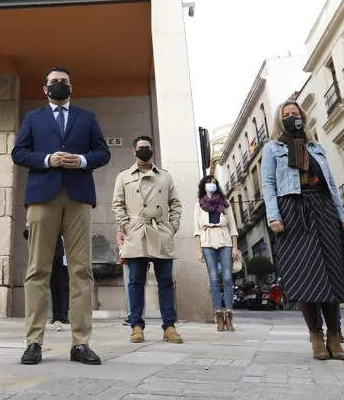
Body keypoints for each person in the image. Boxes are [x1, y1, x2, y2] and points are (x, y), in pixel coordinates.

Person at [12, 66, 110, 366]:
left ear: (71, 87)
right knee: (37, 270)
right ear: (45, 89)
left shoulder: (87, 117)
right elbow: (19, 153)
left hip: (79, 197)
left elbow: (103, 153)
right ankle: (33, 342)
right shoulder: (33, 119)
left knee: (81, 271)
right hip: (43, 197)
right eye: (54, 82)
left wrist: (81, 160)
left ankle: (80, 343)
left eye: (64, 82)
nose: (59, 85)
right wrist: (47, 159)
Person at [262, 101, 344, 362]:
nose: (291, 117)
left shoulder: (316, 147)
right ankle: (315, 337)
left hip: (323, 208)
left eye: (294, 114)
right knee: (305, 276)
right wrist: (274, 216)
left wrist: (342, 216)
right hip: (292, 209)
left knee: (331, 273)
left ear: (302, 117)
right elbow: (268, 183)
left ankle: (334, 336)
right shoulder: (272, 149)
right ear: (279, 121)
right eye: (285, 115)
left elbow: (330, 184)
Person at [112, 136, 183, 344]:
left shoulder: (165, 176)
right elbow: (117, 204)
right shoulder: (123, 176)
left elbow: (175, 203)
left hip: (160, 230)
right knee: (135, 281)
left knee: (166, 281)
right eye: (141, 147)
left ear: (153, 150)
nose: (145, 150)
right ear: (134, 151)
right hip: (136, 231)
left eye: (148, 147)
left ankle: (169, 326)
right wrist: (127, 226)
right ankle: (136, 326)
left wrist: (172, 226)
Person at [195, 174, 240, 332]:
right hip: (207, 243)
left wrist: (235, 247)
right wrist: (198, 250)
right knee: (214, 279)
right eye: (208, 183)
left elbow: (233, 227)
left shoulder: (225, 204)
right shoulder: (199, 205)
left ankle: (229, 315)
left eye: (213, 183)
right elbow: (197, 231)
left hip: (225, 241)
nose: (211, 185)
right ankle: (219, 315)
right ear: (204, 186)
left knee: (227, 278)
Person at [22, 224, 70, 329]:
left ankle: (60, 315)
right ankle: (35, 317)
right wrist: (29, 227)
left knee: (58, 286)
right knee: (36, 284)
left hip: (56, 255)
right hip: (40, 254)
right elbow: (26, 234)